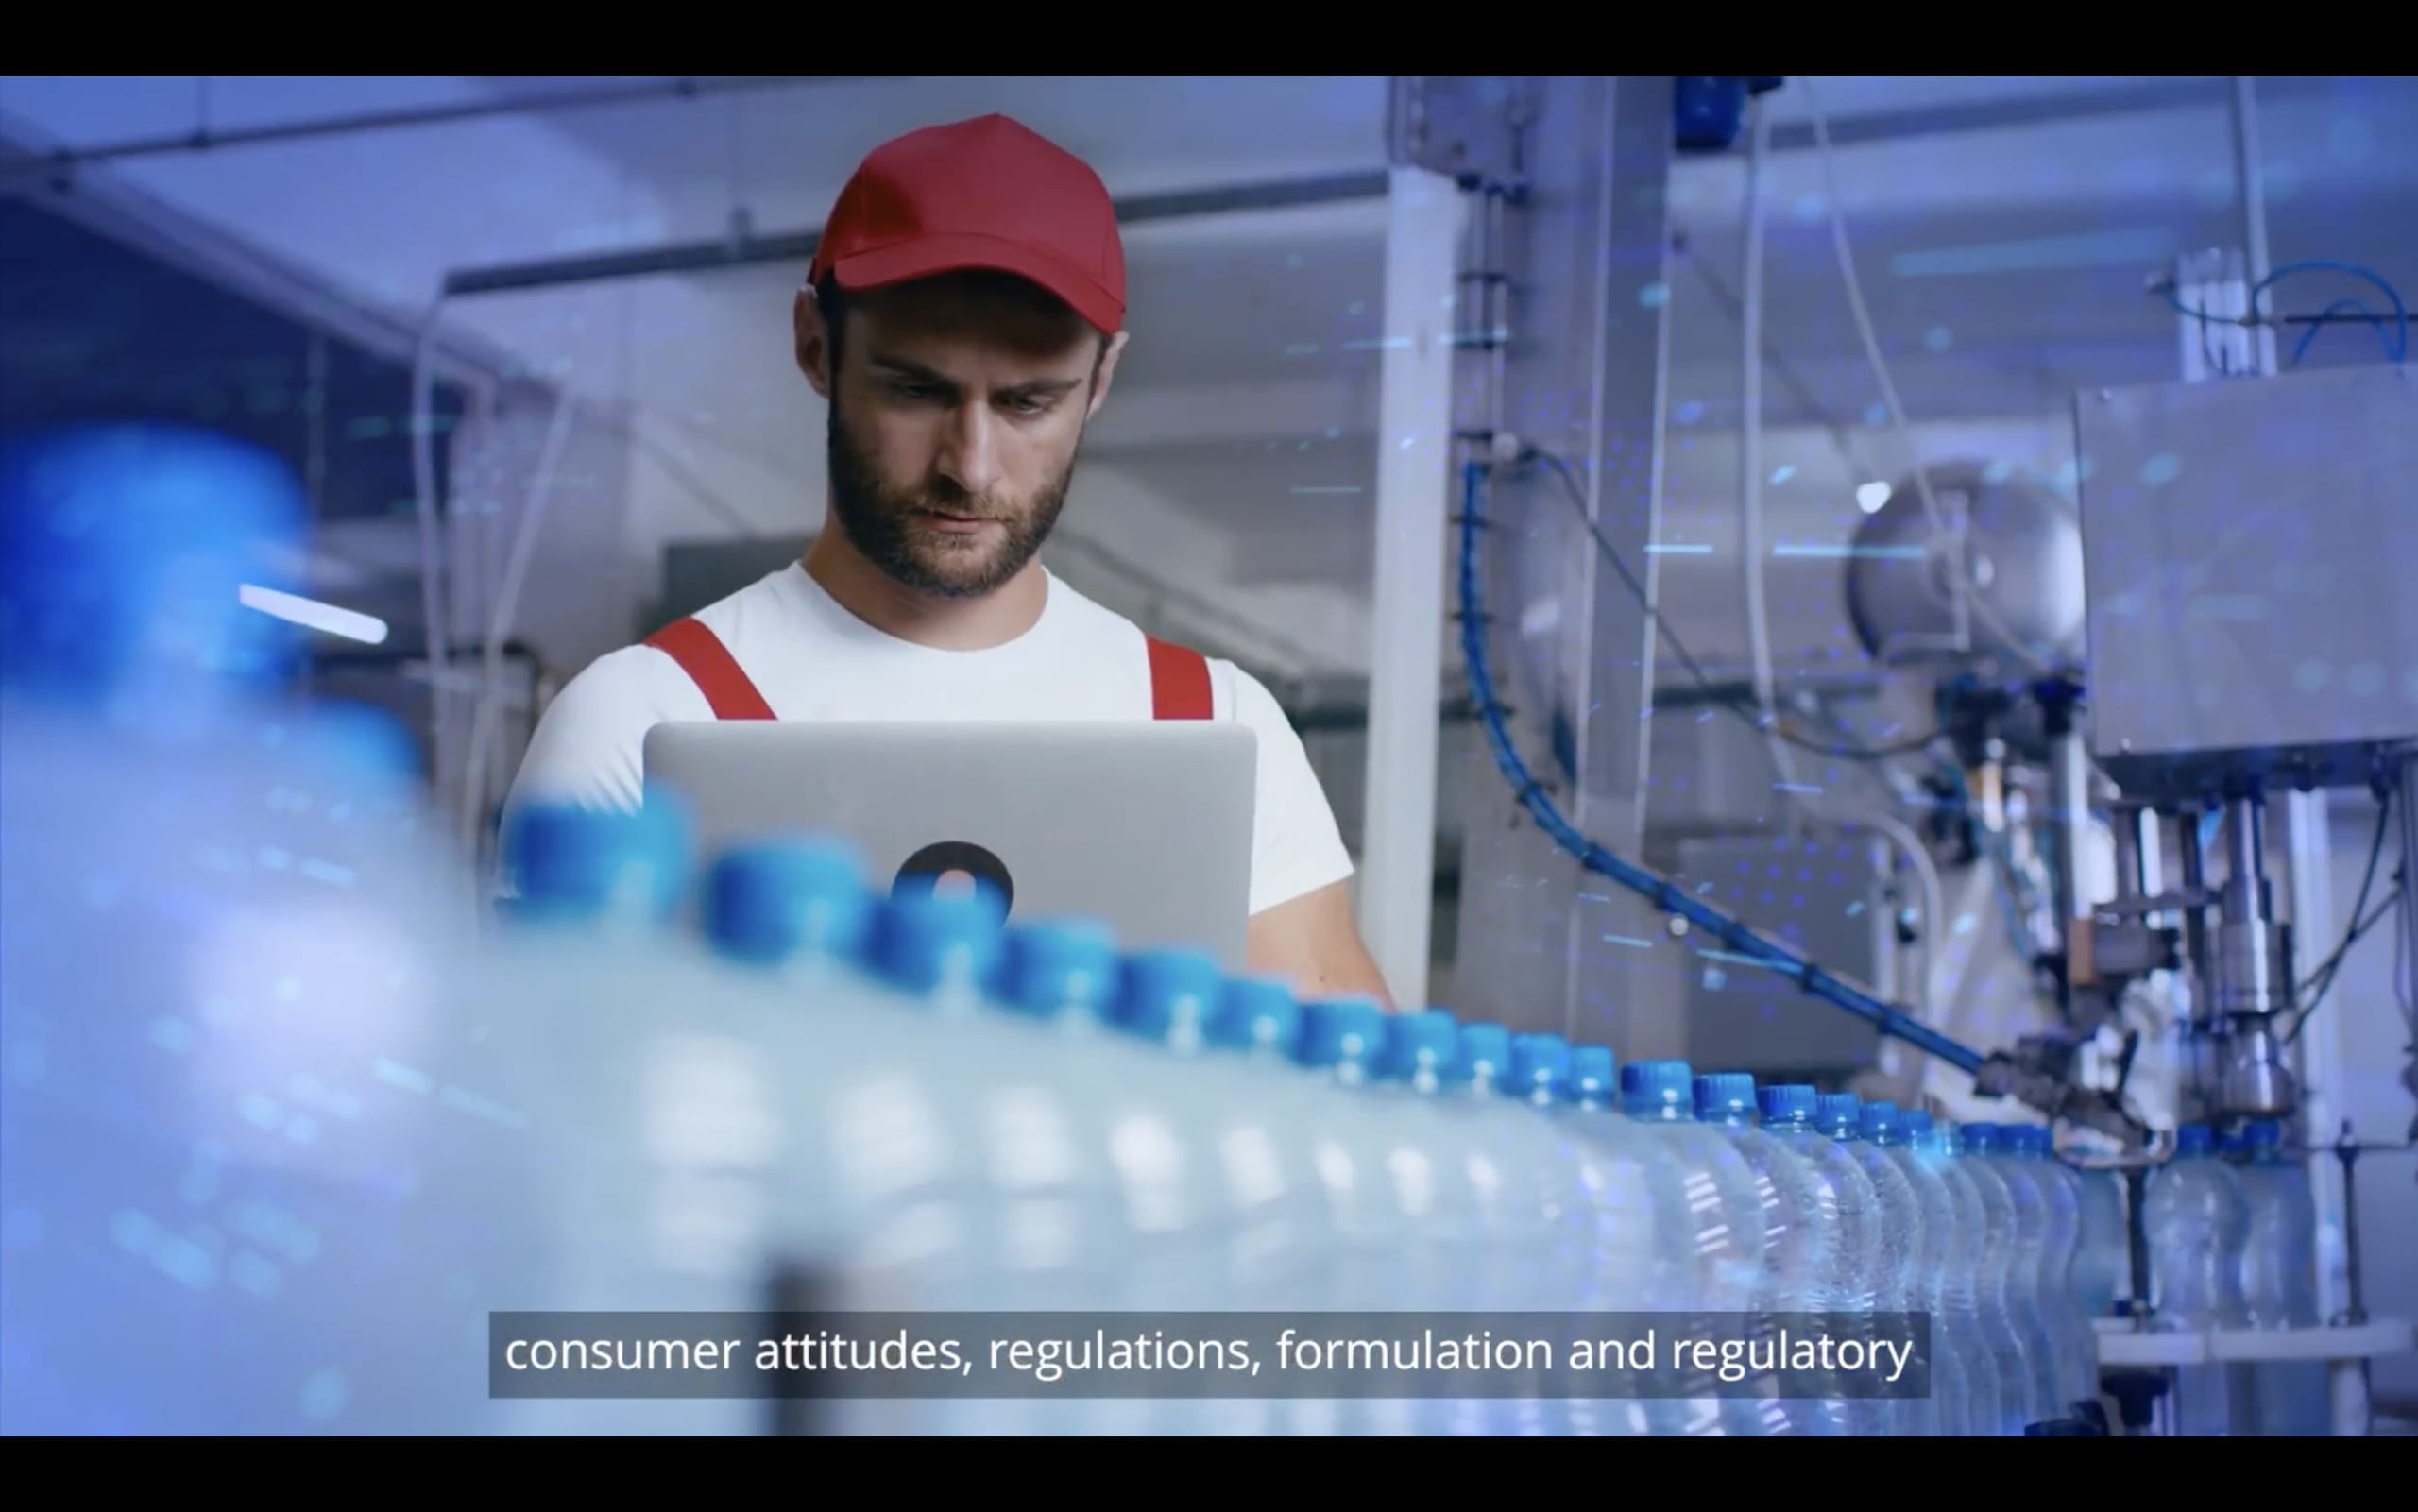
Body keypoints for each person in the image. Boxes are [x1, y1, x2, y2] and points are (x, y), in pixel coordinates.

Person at [502, 112, 1394, 1008]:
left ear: (1103, 381)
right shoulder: (643, 720)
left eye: (1028, 403)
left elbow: (1343, 1098)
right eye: (916, 390)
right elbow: (544, 1102)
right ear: (815, 345)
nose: (969, 466)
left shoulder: (1215, 725)